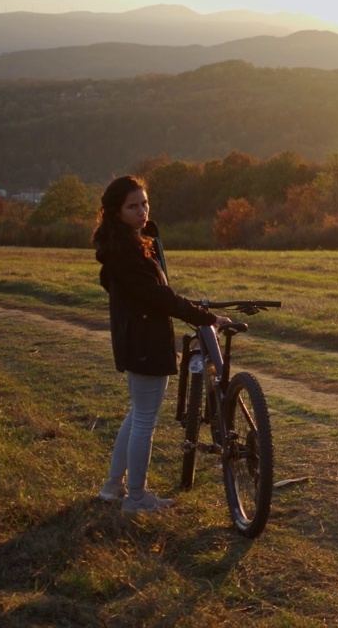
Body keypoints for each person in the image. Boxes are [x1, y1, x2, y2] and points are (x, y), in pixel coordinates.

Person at [92, 175, 229, 514]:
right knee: (144, 422)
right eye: (132, 206)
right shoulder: (125, 253)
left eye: (144, 204)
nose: (141, 211)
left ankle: (113, 487)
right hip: (144, 344)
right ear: (115, 211)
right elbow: (159, 297)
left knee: (136, 414)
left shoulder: (128, 245)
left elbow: (152, 297)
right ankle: (136, 498)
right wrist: (206, 318)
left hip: (138, 340)